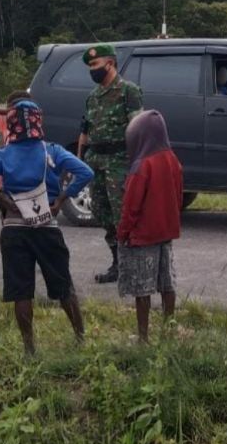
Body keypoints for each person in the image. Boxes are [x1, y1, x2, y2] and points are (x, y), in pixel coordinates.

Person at [0, 99, 91, 355]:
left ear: (11, 123)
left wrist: (1, 198)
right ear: (38, 121)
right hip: (47, 226)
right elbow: (86, 172)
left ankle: (29, 348)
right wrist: (63, 198)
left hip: (13, 229)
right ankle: (80, 337)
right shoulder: (52, 151)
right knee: (63, 284)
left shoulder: (1, 155)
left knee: (21, 290)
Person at [77, 44, 143, 284]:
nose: (92, 70)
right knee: (101, 212)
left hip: (119, 161)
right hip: (96, 161)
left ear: (110, 64)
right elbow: (85, 131)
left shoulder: (129, 91)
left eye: (95, 65)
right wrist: (80, 160)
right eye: (90, 66)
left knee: (122, 215)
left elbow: (137, 128)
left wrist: (136, 164)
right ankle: (117, 263)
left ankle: (132, 266)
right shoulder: (92, 97)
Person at [117, 110, 183, 344]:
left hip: (143, 235)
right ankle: (169, 331)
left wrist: (123, 232)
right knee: (167, 283)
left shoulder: (141, 166)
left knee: (142, 288)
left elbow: (131, 206)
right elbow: (178, 196)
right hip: (166, 231)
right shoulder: (173, 160)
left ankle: (143, 337)